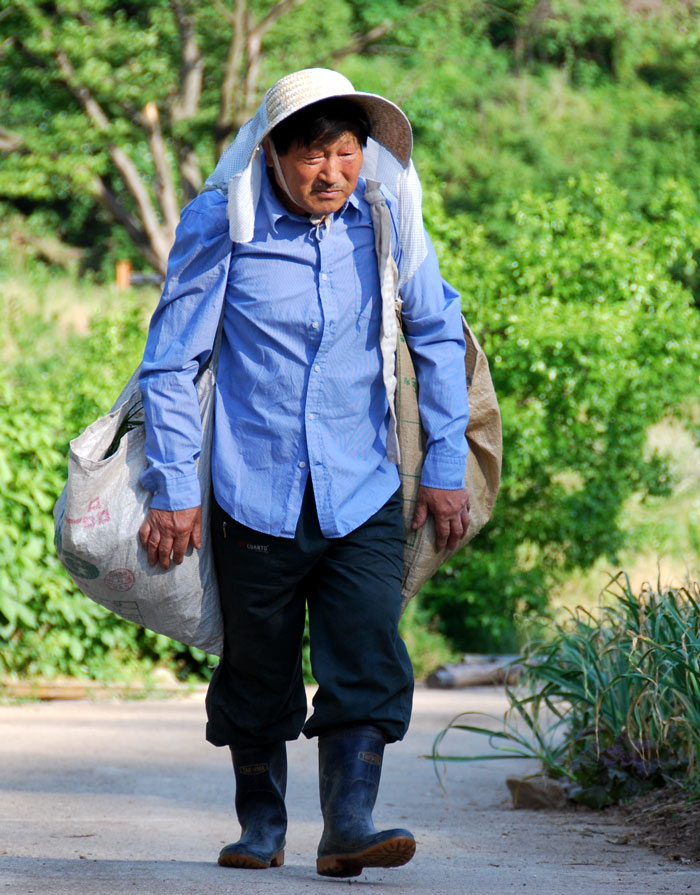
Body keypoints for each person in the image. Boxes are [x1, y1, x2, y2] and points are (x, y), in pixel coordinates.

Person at [137, 68, 469, 878]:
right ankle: (261, 824)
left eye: (348, 152)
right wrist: (176, 488)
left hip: (362, 486)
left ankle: (348, 824)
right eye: (313, 154)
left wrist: (446, 465)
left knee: (367, 652)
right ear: (274, 155)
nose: (332, 172)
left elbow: (437, 329)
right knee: (258, 666)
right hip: (255, 488)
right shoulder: (226, 222)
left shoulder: (386, 219)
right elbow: (170, 364)